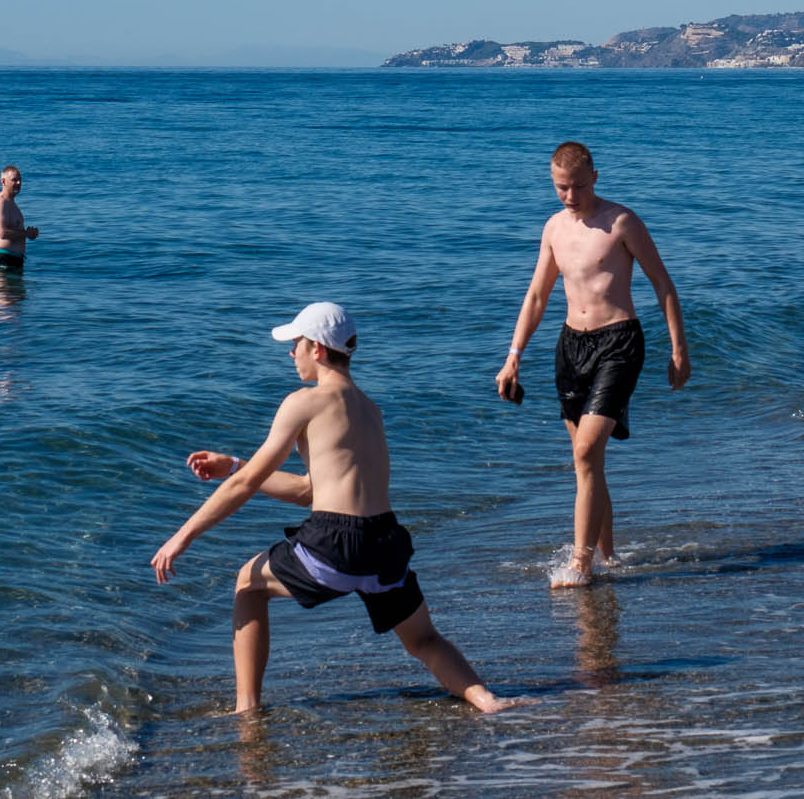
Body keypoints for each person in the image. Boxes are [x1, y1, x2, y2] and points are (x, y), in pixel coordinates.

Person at [151, 302, 512, 715]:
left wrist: (182, 537)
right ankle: (488, 701)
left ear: (318, 349)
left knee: (247, 585)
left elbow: (247, 486)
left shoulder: (304, 402)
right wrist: (234, 464)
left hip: (336, 544)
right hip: (387, 545)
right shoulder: (370, 410)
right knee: (424, 639)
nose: (292, 354)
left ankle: (246, 711)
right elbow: (309, 489)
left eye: (297, 345)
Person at [498, 141, 690, 588]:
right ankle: (609, 557)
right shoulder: (553, 229)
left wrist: (679, 349)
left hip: (619, 343)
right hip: (570, 348)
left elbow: (663, 284)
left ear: (595, 178)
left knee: (585, 452)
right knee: (588, 462)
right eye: (561, 188)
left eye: (578, 186)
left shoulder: (621, 222)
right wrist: (513, 358)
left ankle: (580, 562)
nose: (570, 196)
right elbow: (537, 295)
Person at [0, 165, 39, 271]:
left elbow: (15, 232)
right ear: (3, 181)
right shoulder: (0, 203)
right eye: (14, 180)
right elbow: (2, 233)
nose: (19, 183)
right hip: (3, 261)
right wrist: (26, 234)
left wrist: (30, 234)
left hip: (16, 261)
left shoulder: (12, 204)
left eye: (20, 180)